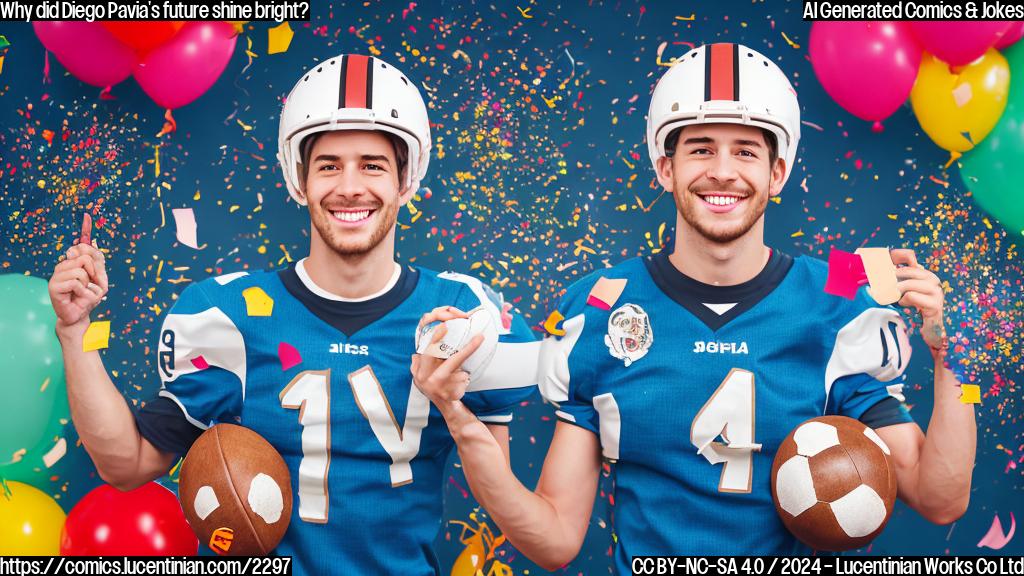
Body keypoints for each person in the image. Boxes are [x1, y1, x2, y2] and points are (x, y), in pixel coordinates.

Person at [411, 43, 976, 569]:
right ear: (665, 167)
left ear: (776, 172)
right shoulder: (600, 306)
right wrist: (463, 424)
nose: (723, 171)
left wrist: (954, 359)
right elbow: (556, 539)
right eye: (701, 148)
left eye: (746, 151)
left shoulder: (841, 301)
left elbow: (938, 497)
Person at [48, 53, 537, 575]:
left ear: (405, 179)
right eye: (329, 165)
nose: (350, 186)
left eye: (372, 164)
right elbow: (125, 465)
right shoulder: (229, 316)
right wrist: (75, 330)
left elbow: (506, 504)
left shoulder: (464, 314)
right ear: (298, 179)